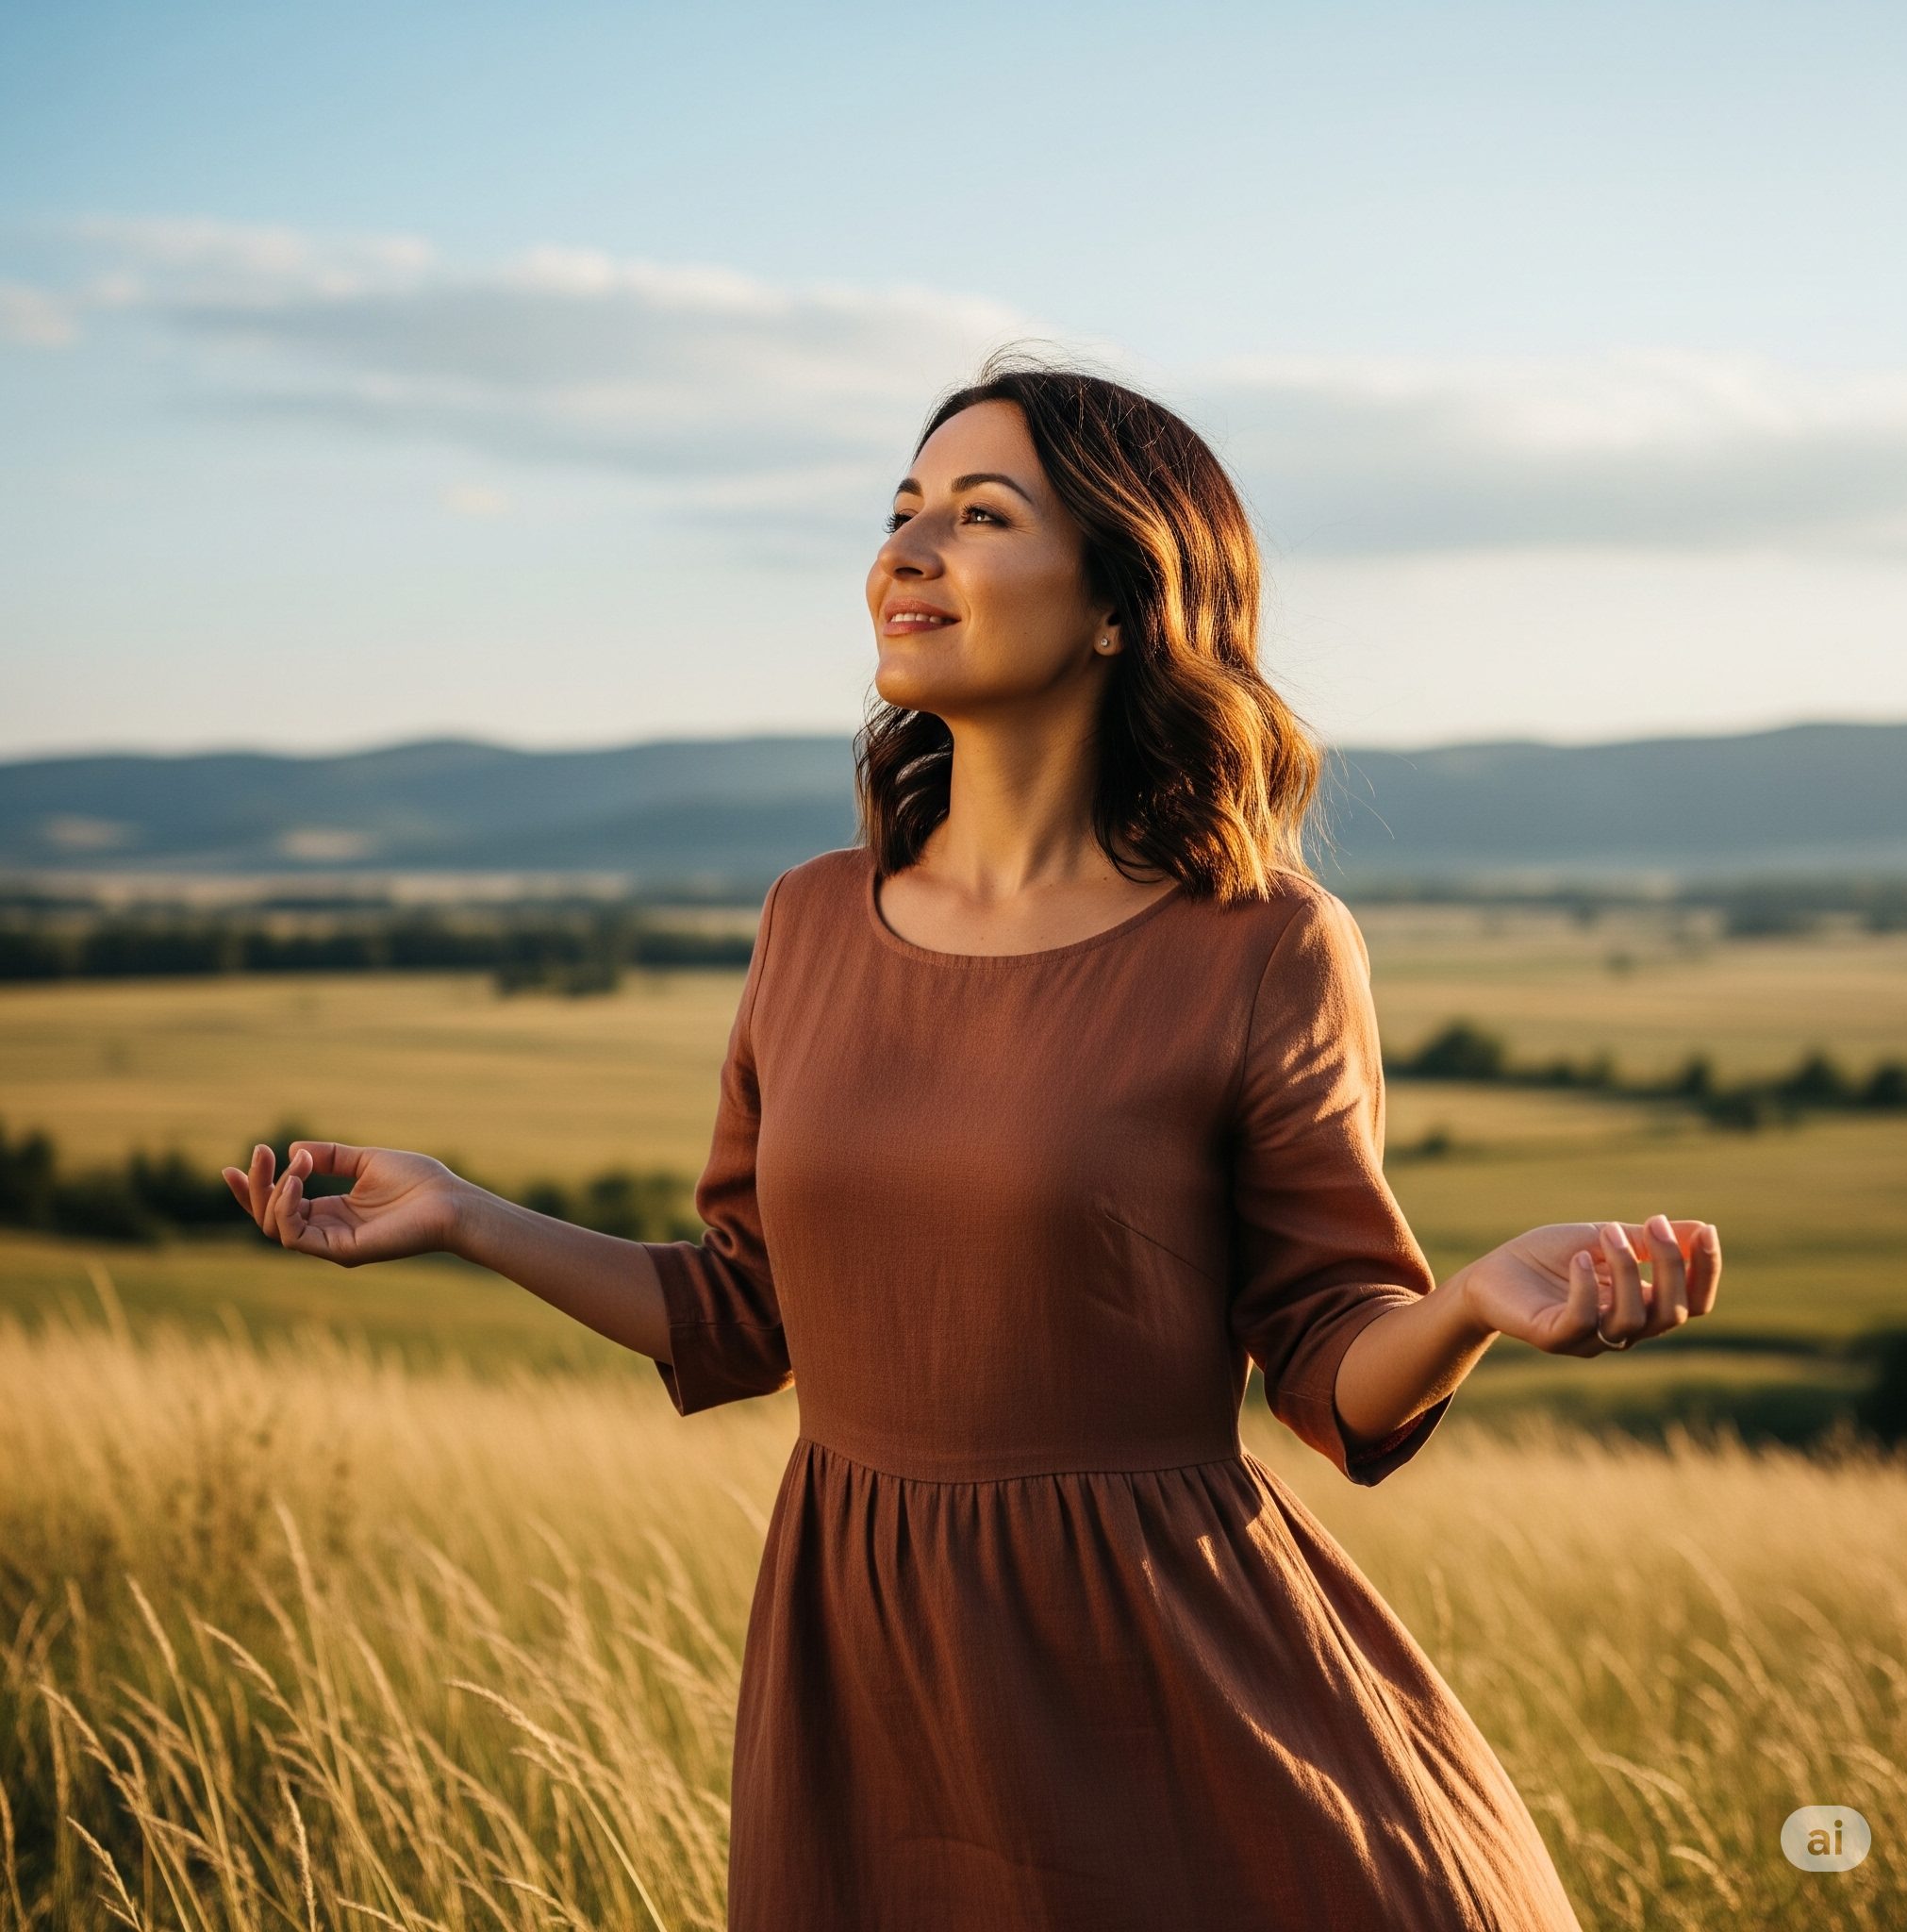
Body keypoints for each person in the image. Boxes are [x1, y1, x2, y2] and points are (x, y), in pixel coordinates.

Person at [224, 349, 1723, 1930]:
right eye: (902, 510)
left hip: (1156, 1671)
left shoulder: (1263, 945)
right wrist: (465, 1214)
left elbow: (1326, 1365)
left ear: (1119, 602)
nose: (908, 552)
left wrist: (1475, 1303)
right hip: (861, 1670)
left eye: (982, 514)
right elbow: (750, 1310)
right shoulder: (811, 918)